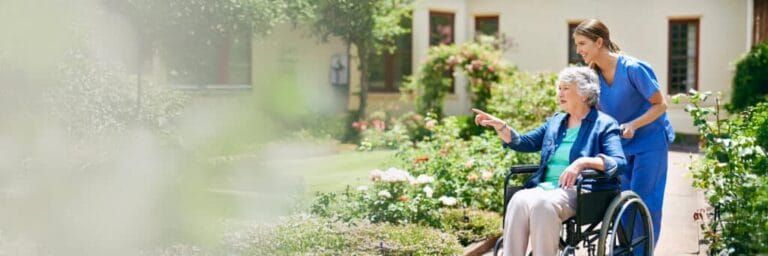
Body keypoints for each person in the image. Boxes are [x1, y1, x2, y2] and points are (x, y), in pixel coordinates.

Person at [473, 67, 626, 256]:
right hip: (545, 188)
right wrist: (501, 126)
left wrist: (582, 163)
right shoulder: (556, 122)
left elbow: (619, 162)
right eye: (559, 88)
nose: (559, 93)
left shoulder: (604, 124)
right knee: (519, 200)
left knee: (542, 204)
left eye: (566, 89)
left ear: (584, 94)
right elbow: (523, 142)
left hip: (580, 191)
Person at [573, 18, 675, 248]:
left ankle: (642, 252)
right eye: (576, 45)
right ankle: (625, 251)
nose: (578, 50)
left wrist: (634, 125)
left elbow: (661, 105)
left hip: (650, 143)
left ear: (599, 42)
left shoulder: (633, 69)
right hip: (620, 146)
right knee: (620, 201)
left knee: (644, 200)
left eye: (582, 44)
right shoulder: (592, 77)